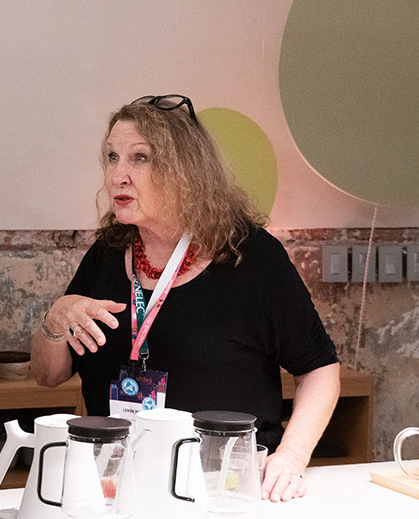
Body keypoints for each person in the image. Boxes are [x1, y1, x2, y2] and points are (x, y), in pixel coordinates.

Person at [31, 95, 340, 503]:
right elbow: (47, 375)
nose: (118, 176)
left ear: (184, 171)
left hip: (223, 491)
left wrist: (292, 456)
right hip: (118, 490)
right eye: (111, 157)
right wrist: (54, 321)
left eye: (139, 158)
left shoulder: (252, 258)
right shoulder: (106, 254)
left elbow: (319, 368)